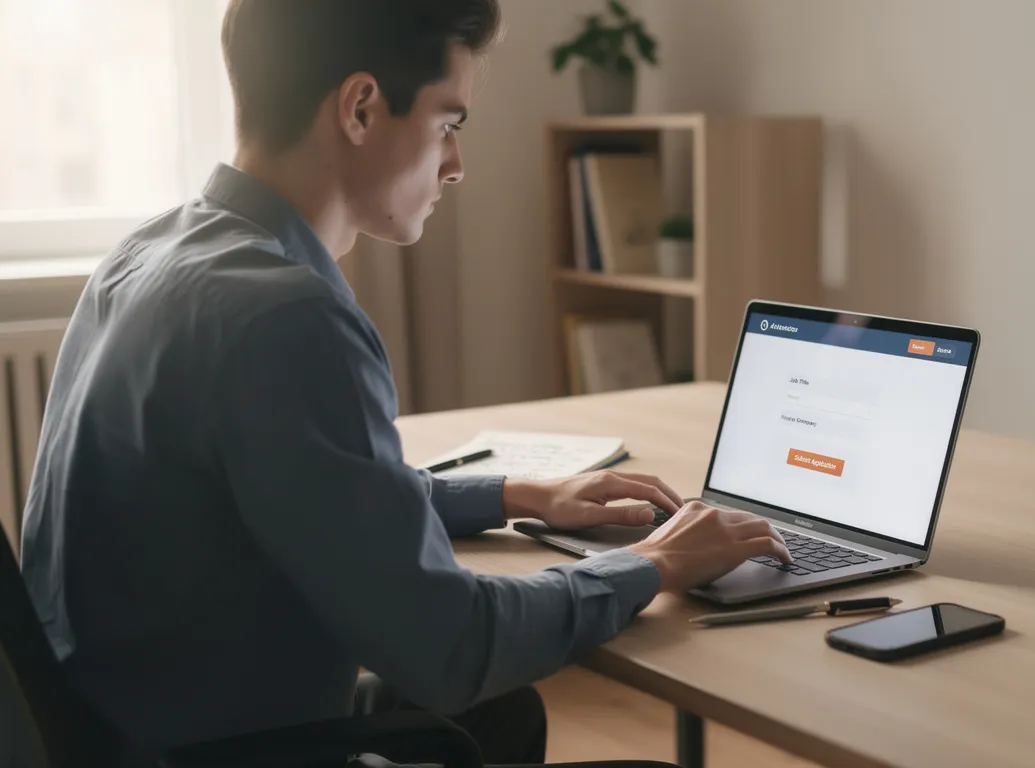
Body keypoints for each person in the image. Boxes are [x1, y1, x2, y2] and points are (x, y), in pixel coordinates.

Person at [17, 1, 792, 766]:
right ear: (360, 108)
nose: (456, 164)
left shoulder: (147, 252)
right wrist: (652, 565)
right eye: (448, 123)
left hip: (125, 723)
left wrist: (515, 494)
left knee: (498, 714)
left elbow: (306, 490)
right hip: (223, 747)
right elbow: (449, 646)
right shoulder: (287, 316)